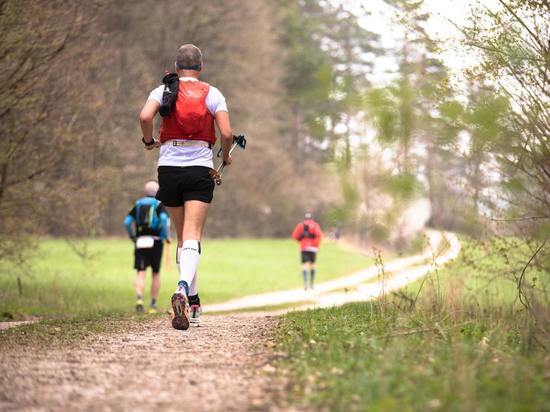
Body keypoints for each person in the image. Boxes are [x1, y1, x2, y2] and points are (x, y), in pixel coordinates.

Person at [139, 44, 233, 330]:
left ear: (177, 66)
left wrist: (148, 141)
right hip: (199, 168)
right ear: (201, 67)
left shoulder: (163, 90)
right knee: (193, 235)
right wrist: (226, 156)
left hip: (168, 168)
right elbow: (226, 133)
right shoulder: (212, 93)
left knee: (182, 237)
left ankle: (193, 302)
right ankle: (182, 288)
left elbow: (145, 117)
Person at [124, 180, 170, 314]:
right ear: (157, 192)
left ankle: (139, 300)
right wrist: (165, 236)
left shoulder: (138, 204)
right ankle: (153, 305)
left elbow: (127, 222)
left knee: (140, 272)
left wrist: (133, 236)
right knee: (155, 273)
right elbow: (163, 221)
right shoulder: (159, 204)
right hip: (155, 241)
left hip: (140, 241)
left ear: (145, 192)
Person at [292, 213, 323, 290]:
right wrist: (317, 246)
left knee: (304, 265)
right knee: (313, 265)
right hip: (313, 248)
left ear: (304, 218)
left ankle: (305, 283)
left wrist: (301, 240)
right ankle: (311, 284)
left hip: (304, 248)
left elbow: (294, 236)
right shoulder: (315, 225)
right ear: (312, 218)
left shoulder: (300, 225)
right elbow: (319, 236)